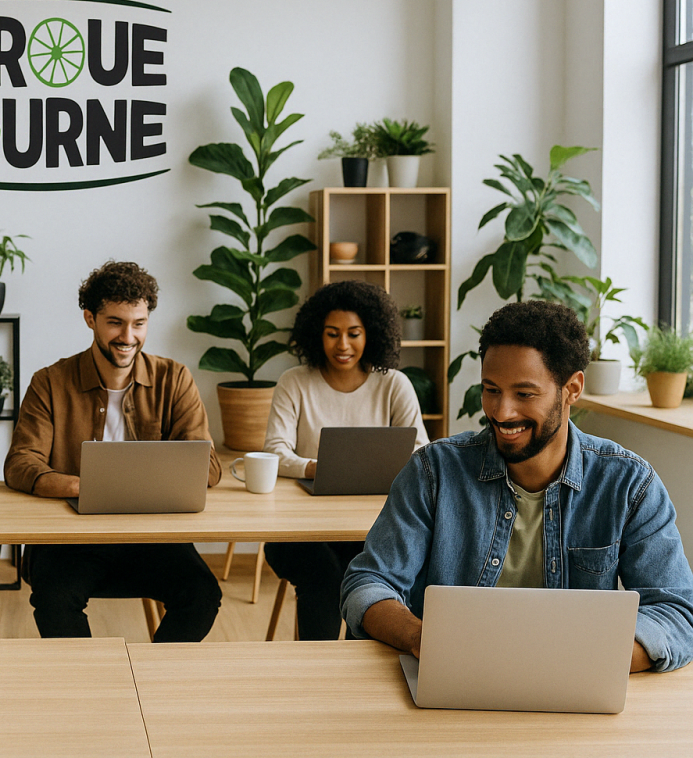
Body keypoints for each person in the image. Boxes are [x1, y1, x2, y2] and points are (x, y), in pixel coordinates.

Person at [341, 300, 693, 672]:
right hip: (453, 678)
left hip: (573, 686)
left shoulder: (629, 484)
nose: (502, 412)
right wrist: (420, 637)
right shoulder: (434, 471)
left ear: (572, 388)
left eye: (524, 394)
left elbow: (675, 613)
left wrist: (581, 659)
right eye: (491, 389)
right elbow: (368, 583)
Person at [4, 260, 223, 641]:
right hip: (71, 540)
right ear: (90, 318)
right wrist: (84, 487)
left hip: (152, 537)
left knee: (203, 594)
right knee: (54, 599)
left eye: (139, 323)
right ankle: (91, 690)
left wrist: (130, 488)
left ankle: (152, 683)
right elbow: (21, 463)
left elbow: (208, 467)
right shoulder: (50, 382)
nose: (128, 336)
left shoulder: (175, 378)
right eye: (115, 322)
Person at [261, 280, 427, 640]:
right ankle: (314, 675)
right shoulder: (294, 382)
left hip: (371, 527)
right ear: (316, 334)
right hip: (298, 531)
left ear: (372, 334)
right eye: (332, 333)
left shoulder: (393, 384)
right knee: (326, 579)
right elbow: (275, 450)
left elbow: (420, 451)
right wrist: (314, 467)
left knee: (368, 580)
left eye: (354, 333)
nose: (343, 345)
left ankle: (357, 676)